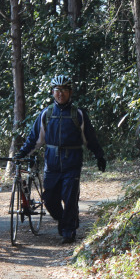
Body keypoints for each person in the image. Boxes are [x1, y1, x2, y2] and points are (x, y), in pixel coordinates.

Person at [15, 75, 106, 244]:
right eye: (57, 90)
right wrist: (22, 153)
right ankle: (66, 221)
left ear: (70, 92)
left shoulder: (78, 114)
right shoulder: (46, 113)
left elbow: (90, 138)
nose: (60, 94)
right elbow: (35, 139)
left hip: (72, 162)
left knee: (70, 197)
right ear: (52, 92)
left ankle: (68, 231)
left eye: (64, 90)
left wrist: (99, 155)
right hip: (52, 163)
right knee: (49, 199)